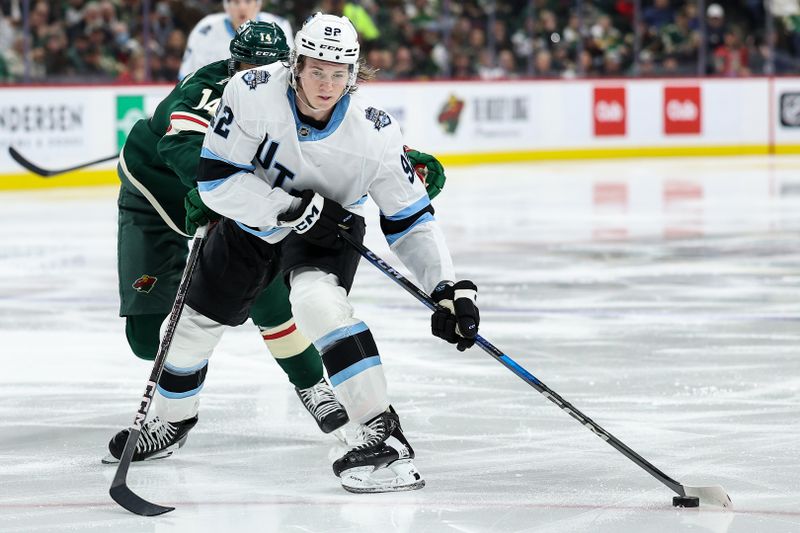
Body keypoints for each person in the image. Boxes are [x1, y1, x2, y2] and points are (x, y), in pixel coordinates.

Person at [107, 13, 478, 493]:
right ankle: (173, 421)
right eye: (316, 70)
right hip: (253, 219)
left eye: (338, 73)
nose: (326, 84)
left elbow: (410, 220)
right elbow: (216, 180)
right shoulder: (249, 92)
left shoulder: (376, 132)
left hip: (326, 230)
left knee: (316, 303)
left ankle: (382, 432)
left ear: (353, 75)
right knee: (190, 329)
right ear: (296, 65)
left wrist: (446, 286)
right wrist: (286, 209)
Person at [179, 0, 294, 80]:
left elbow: (290, 70)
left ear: (257, 5)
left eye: (248, 1)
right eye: (236, 2)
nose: (242, 7)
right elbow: (188, 75)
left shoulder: (278, 27)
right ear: (227, 6)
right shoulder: (206, 29)